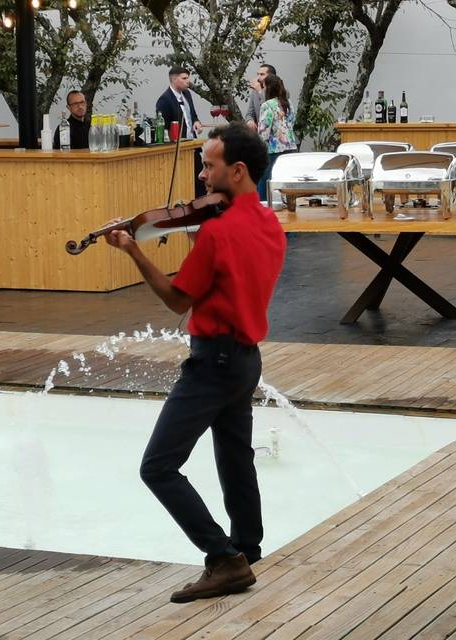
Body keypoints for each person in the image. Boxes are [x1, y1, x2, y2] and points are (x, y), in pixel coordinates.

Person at [104, 123, 286, 604]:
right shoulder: (268, 222)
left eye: (209, 165)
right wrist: (197, 236)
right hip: (247, 360)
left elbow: (176, 299)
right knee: (235, 457)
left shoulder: (218, 232)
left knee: (158, 467)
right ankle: (248, 547)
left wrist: (133, 250)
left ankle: (224, 561)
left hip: (213, 363)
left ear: (238, 170)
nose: (203, 176)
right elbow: (227, 276)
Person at [156, 66, 205, 196]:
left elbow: (193, 115)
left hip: (192, 147)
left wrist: (196, 122)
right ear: (174, 79)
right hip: (177, 152)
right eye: (184, 78)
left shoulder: (187, 94)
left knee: (200, 183)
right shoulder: (164, 100)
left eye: (188, 78)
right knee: (184, 186)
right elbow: (162, 128)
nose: (188, 81)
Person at [256, 74, 297, 201]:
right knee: (285, 178)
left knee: (265, 179)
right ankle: (288, 203)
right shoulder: (288, 103)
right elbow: (292, 121)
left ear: (267, 88)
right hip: (290, 146)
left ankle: (263, 204)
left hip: (273, 148)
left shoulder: (267, 105)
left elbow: (264, 130)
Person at [244, 64, 276, 130]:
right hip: (261, 134)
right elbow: (250, 113)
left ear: (271, 77)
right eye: (258, 74)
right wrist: (250, 121)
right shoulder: (255, 92)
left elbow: (271, 112)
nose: (258, 78)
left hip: (275, 134)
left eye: (262, 74)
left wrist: (260, 91)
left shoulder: (281, 92)